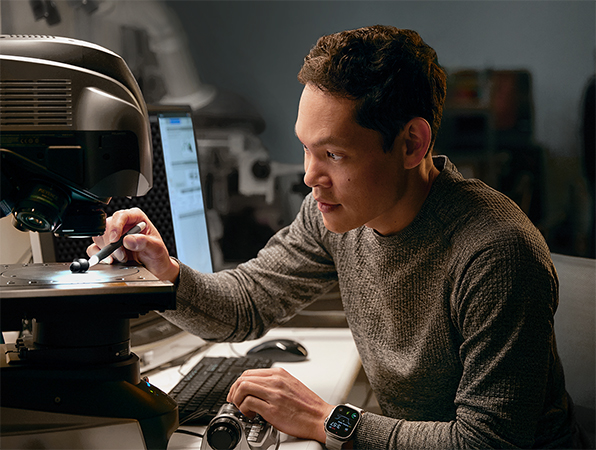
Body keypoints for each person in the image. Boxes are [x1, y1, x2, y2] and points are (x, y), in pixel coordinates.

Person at [89, 26, 586, 449]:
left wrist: (326, 420)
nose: (309, 176)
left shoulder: (495, 252)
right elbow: (247, 303)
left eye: (334, 154)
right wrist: (164, 272)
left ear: (412, 143)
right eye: (306, 148)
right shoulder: (338, 216)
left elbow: (486, 442)